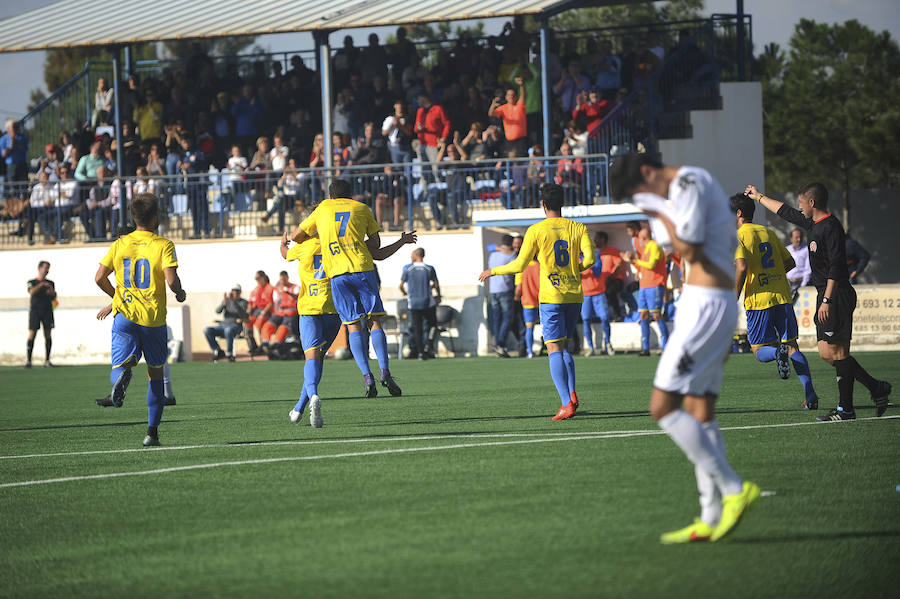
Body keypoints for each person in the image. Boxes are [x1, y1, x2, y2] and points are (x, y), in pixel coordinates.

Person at [610, 152, 760, 544]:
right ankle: (710, 516)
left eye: (639, 192)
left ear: (647, 172)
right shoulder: (684, 189)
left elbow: (690, 250)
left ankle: (733, 489)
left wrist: (658, 208)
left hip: (705, 306)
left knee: (663, 407)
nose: (643, 201)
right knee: (700, 410)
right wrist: (661, 210)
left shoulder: (687, 183)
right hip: (706, 302)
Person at [745, 182, 892, 421]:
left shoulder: (831, 227)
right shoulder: (813, 223)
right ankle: (876, 388)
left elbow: (837, 267)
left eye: (802, 203)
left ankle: (846, 409)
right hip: (826, 293)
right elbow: (785, 211)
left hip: (836, 294)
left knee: (839, 352)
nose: (799, 207)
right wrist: (759, 197)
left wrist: (826, 299)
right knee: (826, 353)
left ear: (812, 202)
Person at [291, 179, 417, 397]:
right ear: (351, 195)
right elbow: (377, 247)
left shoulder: (323, 209)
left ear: (330, 197)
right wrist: (397, 241)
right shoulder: (362, 208)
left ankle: (367, 376)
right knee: (374, 321)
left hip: (338, 276)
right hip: (362, 269)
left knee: (352, 326)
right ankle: (385, 372)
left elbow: (295, 237)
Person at [479, 183, 595, 421]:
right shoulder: (578, 227)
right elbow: (591, 259)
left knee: (553, 349)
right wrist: (576, 269)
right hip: (574, 295)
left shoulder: (536, 230)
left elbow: (520, 265)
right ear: (563, 203)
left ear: (543, 204)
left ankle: (566, 403)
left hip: (551, 297)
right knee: (564, 346)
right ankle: (572, 393)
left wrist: (493, 271)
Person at [93, 192, 187, 447]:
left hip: (125, 316)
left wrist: (117, 296)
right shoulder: (164, 245)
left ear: (134, 216)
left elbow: (99, 277)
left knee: (119, 366)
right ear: (155, 217)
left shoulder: (120, 244)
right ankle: (151, 433)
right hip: (153, 320)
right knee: (155, 376)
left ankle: (120, 379)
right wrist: (179, 293)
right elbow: (171, 280)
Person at [731, 194, 819, 409]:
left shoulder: (738, 236)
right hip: (782, 296)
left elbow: (742, 267)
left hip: (759, 300)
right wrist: (773, 275)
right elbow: (790, 263)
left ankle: (777, 352)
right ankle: (811, 395)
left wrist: (734, 296)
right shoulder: (767, 232)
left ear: (739, 213)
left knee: (759, 351)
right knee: (793, 347)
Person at [282, 233, 342, 428]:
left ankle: (314, 395)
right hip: (333, 310)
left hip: (310, 310)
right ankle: (299, 408)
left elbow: (285, 254)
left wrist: (282, 244)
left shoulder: (304, 246)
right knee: (318, 359)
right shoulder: (336, 243)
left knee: (311, 358)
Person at [622, 227, 670, 355]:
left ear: (643, 237)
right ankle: (645, 348)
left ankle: (666, 346)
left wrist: (636, 260)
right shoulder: (646, 249)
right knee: (643, 315)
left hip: (655, 285)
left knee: (656, 315)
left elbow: (651, 265)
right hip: (644, 286)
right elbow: (643, 267)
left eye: (639, 237)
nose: (638, 240)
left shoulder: (654, 247)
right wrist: (631, 261)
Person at [581, 232, 622, 356]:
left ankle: (608, 343)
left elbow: (598, 272)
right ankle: (590, 347)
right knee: (586, 320)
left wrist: (587, 262)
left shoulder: (596, 254)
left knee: (604, 318)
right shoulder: (576, 257)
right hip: (585, 294)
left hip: (599, 292)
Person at [400, 248, 441, 359]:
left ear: (415, 255)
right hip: (428, 302)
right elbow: (436, 284)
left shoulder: (408, 269)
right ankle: (428, 347)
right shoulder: (429, 268)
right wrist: (438, 295)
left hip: (413, 303)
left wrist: (405, 293)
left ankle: (420, 353)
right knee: (431, 325)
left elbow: (400, 285)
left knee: (417, 328)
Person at [486, 235, 516, 357]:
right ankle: (500, 343)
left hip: (493, 290)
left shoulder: (493, 254)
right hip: (505, 289)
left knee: (497, 318)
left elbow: (489, 247)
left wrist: (498, 248)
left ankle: (497, 343)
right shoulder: (511, 255)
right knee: (507, 318)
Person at [204, 284, 249, 362]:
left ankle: (229, 354)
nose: (235, 292)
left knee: (228, 330)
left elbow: (243, 315)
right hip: (223, 325)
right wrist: (223, 304)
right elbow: (217, 311)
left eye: (237, 291)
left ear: (240, 292)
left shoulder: (244, 302)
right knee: (207, 330)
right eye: (233, 290)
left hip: (236, 326)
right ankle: (218, 351)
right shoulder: (227, 300)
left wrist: (234, 302)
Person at [261, 270, 301, 357]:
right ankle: (265, 342)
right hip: (280, 312)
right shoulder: (277, 289)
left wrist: (289, 294)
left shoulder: (295, 287)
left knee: (283, 326)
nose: (282, 281)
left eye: (284, 279)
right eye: (281, 280)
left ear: (287, 278)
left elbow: (299, 297)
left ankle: (277, 343)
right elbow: (274, 302)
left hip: (291, 312)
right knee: (268, 324)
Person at [26, 261, 56, 368]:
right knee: (32, 334)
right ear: (39, 268)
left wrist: (50, 291)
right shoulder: (32, 282)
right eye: (45, 268)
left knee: (48, 334)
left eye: (48, 268)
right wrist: (41, 285)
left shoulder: (50, 283)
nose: (47, 270)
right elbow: (32, 292)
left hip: (47, 311)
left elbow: (54, 296)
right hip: (35, 311)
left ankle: (47, 360)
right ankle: (29, 360)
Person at [487, 77, 528, 157]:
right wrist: (493, 105)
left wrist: (521, 85)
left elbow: (524, 95)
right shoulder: (503, 108)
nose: (511, 97)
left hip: (521, 140)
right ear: (506, 97)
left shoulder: (520, 105)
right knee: (511, 160)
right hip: (509, 141)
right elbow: (491, 114)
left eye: (513, 95)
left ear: (516, 97)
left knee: (519, 160)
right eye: (509, 95)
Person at [515, 258, 541, 359]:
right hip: (542, 300)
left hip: (528, 301)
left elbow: (518, 288)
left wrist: (516, 298)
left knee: (529, 327)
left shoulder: (521, 267)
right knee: (546, 326)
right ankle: (551, 349)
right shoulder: (539, 266)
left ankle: (530, 352)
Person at [247, 270, 275, 353]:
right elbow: (251, 302)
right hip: (256, 312)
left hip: (267, 312)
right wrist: (248, 312)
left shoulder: (270, 288)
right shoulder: (256, 289)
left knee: (260, 322)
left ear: (263, 277)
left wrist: (263, 313)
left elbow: (271, 303)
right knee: (246, 323)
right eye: (255, 278)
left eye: (258, 278)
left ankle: (263, 347)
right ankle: (253, 347)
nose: (257, 280)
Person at [785, 228, 811, 301]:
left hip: (801, 283)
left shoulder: (806, 250)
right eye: (796, 237)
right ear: (791, 239)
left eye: (800, 237)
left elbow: (808, 270)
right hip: (788, 283)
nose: (799, 239)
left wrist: (803, 285)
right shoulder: (787, 249)